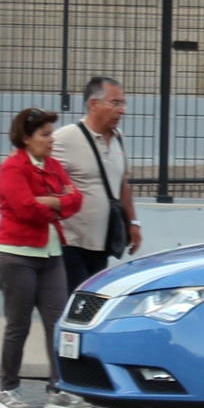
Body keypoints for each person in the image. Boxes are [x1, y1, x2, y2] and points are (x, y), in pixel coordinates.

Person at [0, 108, 91, 408]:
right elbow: (24, 209)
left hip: (51, 255)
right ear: (26, 138)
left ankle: (57, 389)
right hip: (16, 256)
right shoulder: (12, 168)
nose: (51, 140)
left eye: (51, 133)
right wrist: (58, 204)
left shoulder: (52, 166)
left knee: (57, 324)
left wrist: (51, 202)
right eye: (45, 134)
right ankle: (7, 389)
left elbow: (76, 199)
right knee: (18, 325)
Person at [52, 77, 142, 291]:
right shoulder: (65, 139)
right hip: (70, 243)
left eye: (123, 103)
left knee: (91, 304)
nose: (122, 110)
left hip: (102, 243)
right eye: (115, 103)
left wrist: (133, 223)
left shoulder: (119, 138)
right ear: (93, 104)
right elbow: (37, 173)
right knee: (76, 303)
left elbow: (121, 183)